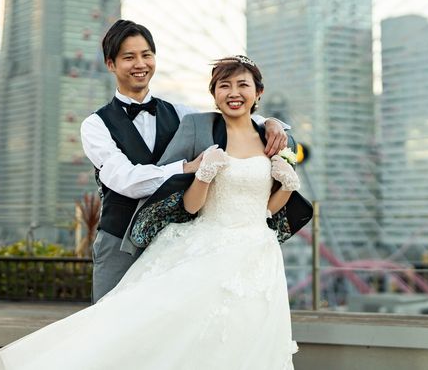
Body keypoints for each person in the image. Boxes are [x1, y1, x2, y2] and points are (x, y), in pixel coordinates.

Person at [0, 55, 310, 370]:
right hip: (200, 244)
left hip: (259, 254)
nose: (233, 92)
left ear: (259, 92)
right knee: (158, 333)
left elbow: (266, 207)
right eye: (224, 85)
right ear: (213, 93)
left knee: (248, 337)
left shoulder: (269, 137)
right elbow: (171, 195)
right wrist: (199, 172)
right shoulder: (195, 125)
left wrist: (285, 178)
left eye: (243, 85)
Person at [80, 20, 288, 301]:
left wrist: (271, 123)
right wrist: (185, 168)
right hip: (120, 241)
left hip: (174, 240)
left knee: (167, 321)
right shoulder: (95, 125)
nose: (140, 64)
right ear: (111, 64)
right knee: (109, 317)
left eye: (146, 55)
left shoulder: (181, 114)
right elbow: (125, 180)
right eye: (129, 57)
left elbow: (230, 118)